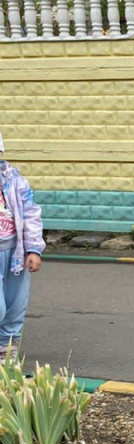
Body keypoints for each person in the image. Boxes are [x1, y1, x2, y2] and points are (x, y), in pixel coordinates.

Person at [0, 131, 45, 357]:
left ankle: (6, 352)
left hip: (14, 251)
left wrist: (33, 249)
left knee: (15, 304)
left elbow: (31, 215)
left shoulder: (15, 182)